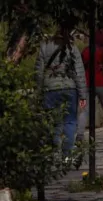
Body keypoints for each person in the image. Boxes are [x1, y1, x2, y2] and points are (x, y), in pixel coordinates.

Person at [36, 20, 88, 160]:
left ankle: (55, 153)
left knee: (55, 122)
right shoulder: (72, 47)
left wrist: (39, 91)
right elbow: (79, 72)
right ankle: (67, 156)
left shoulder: (45, 46)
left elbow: (39, 72)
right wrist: (83, 95)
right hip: (69, 88)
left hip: (50, 89)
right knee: (70, 121)